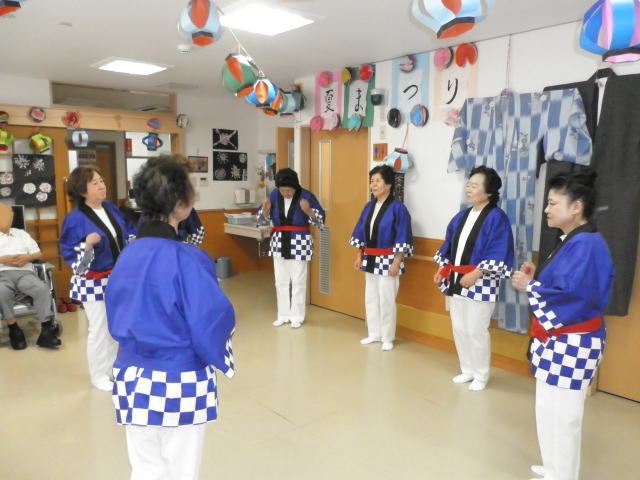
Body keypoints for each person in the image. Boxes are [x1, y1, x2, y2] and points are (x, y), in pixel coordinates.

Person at [105, 156, 235, 480]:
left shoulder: (127, 254)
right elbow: (210, 320)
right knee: (181, 469)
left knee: (145, 467)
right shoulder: (189, 258)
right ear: (180, 204)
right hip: (179, 377)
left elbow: (116, 310)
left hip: (131, 376)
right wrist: (220, 354)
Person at [512, 170, 614, 480]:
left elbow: (575, 296)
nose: (547, 209)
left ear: (576, 207)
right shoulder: (571, 240)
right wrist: (536, 278)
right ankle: (554, 466)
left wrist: (530, 286)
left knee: (565, 414)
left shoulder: (586, 244)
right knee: (548, 407)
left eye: (553, 203)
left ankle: (564, 474)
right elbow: (560, 286)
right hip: (559, 339)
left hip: (574, 341)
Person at [433, 166, 514, 391]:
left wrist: (476, 273)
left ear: (488, 192)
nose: (468, 189)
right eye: (468, 184)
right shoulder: (461, 216)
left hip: (481, 282)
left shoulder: (497, 218)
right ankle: (467, 369)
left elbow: (499, 250)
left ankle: (481, 374)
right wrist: (442, 269)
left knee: (476, 330)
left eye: (475, 185)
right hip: (456, 279)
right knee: (459, 327)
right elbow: (448, 246)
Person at [59, 166, 137, 391]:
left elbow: (128, 233)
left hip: (117, 277)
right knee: (99, 329)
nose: (102, 185)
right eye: (95, 183)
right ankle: (98, 375)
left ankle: (112, 369)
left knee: (115, 327)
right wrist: (87, 244)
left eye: (101, 181)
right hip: (92, 281)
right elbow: (70, 256)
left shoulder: (110, 208)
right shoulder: (74, 219)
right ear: (81, 190)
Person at [349, 165, 413, 351]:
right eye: (372, 181)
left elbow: (402, 236)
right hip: (369, 257)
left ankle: (387, 337)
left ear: (389, 184)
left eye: (377, 181)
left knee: (386, 299)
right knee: (370, 297)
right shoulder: (369, 206)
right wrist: (359, 255)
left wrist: (397, 262)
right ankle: (374, 333)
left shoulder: (398, 208)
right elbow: (361, 232)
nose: (373, 185)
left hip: (389, 259)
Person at [258, 168, 324, 328]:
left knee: (298, 281)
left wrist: (308, 211)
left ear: (295, 187)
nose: (286, 193)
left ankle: (297, 316)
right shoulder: (274, 195)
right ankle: (282, 314)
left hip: (300, 241)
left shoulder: (307, 196)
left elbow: (321, 223)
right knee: (280, 281)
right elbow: (261, 221)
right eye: (282, 190)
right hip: (279, 241)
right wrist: (265, 212)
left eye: (289, 190)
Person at [0, 204, 59, 349]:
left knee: (40, 288)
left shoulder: (21, 234)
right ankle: (14, 329)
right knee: (2, 292)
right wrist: (3, 260)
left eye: (9, 215)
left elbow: (38, 253)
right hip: (1, 274)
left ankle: (46, 331)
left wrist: (26, 258)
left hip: (24, 273)